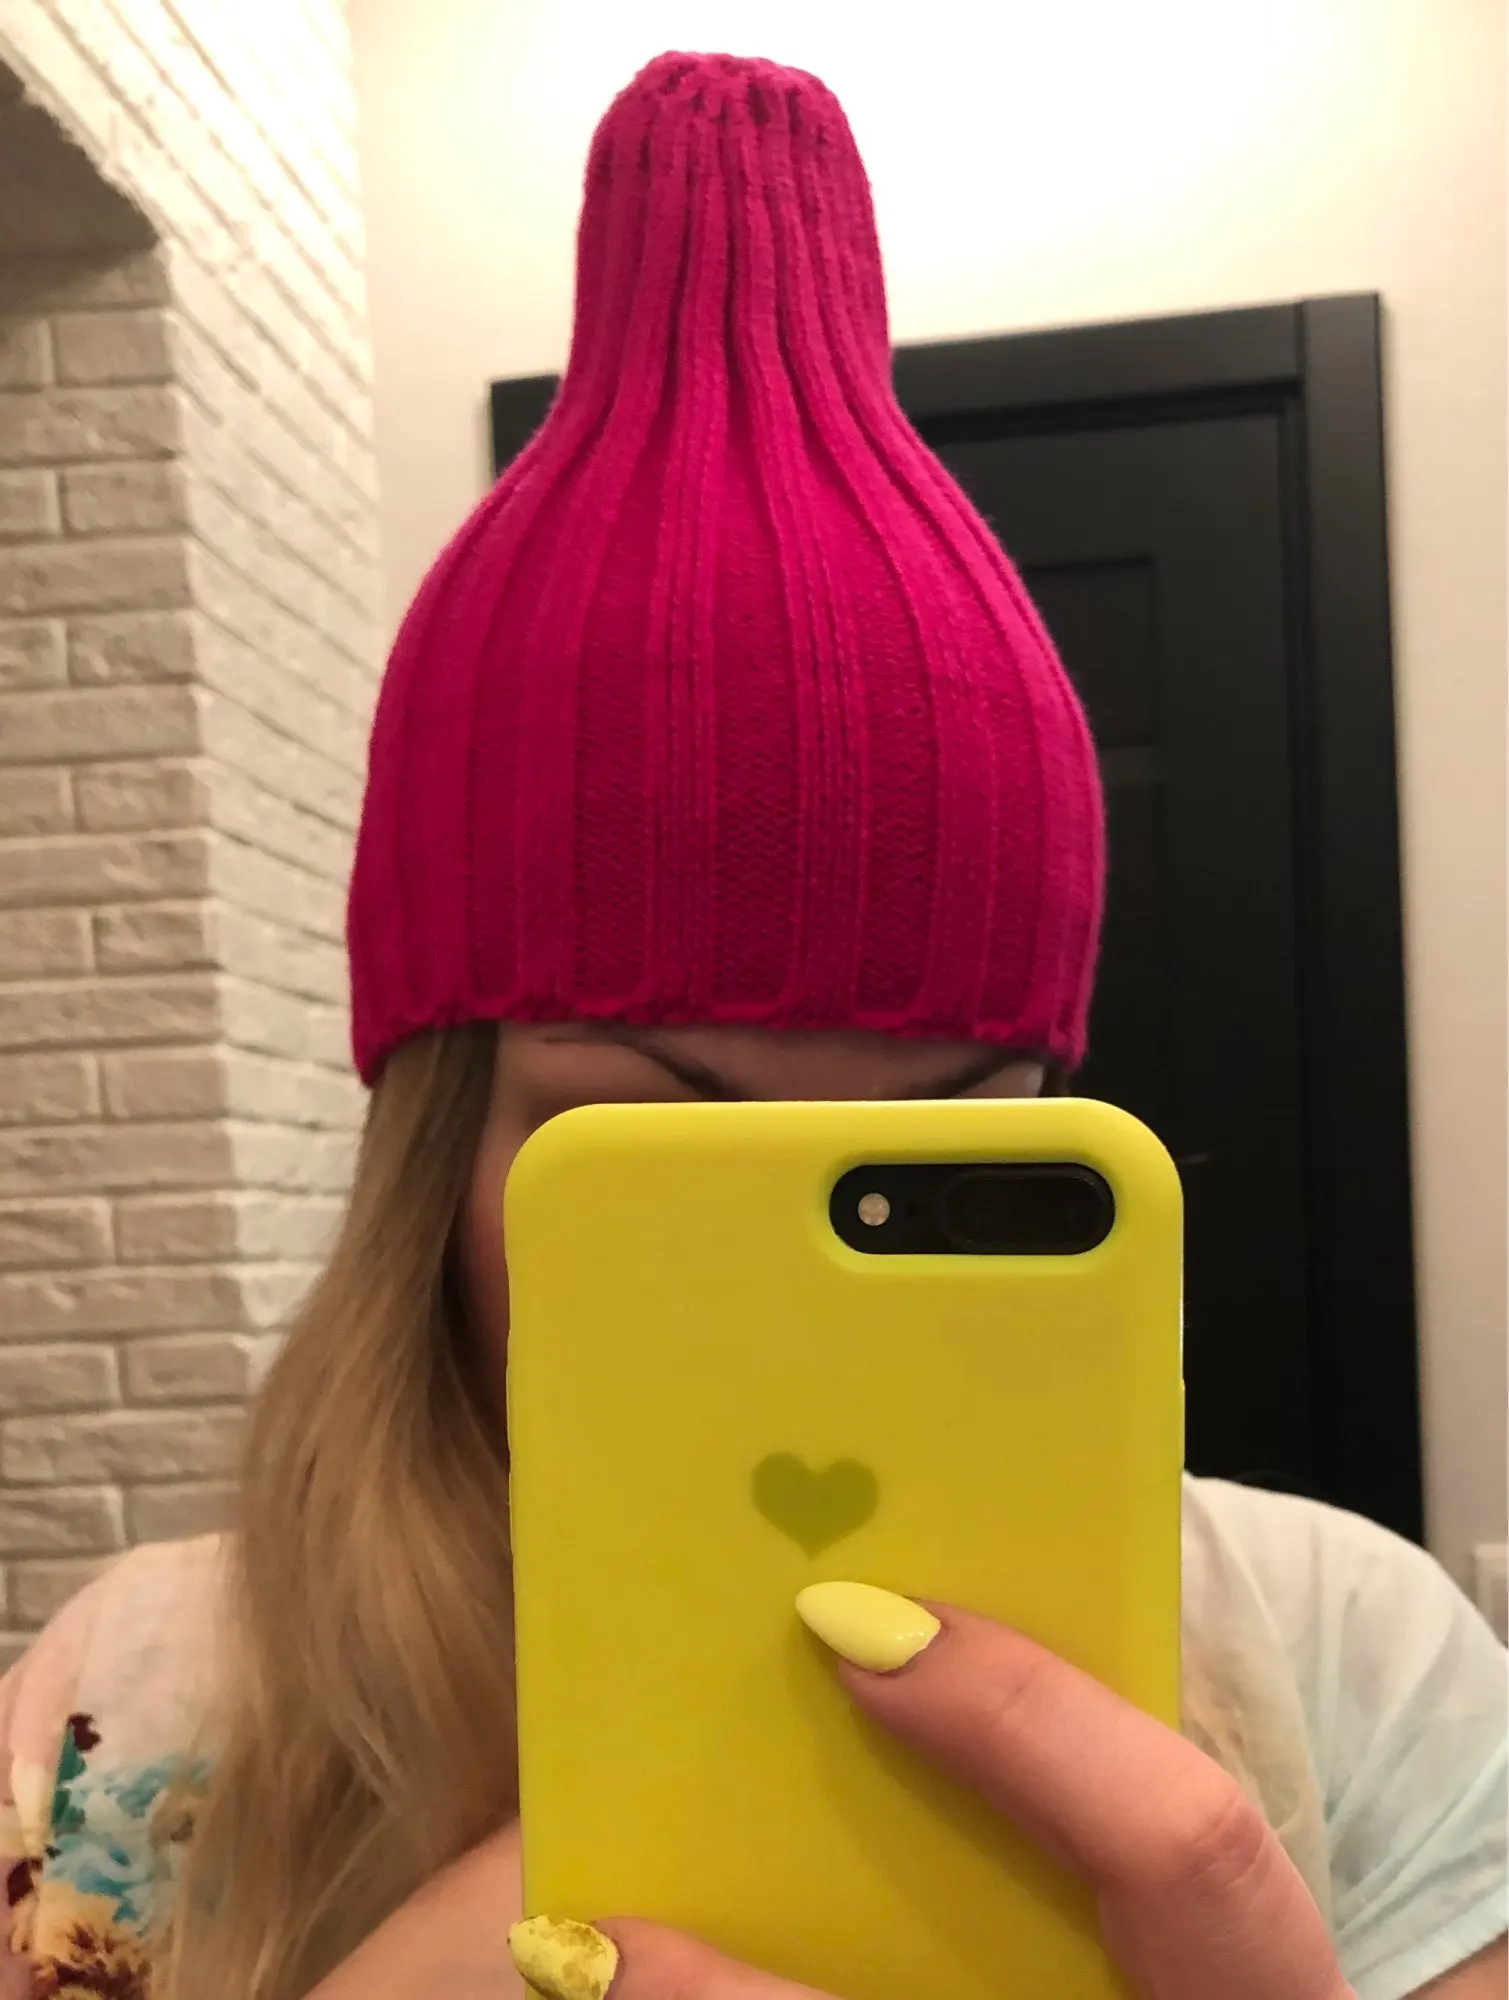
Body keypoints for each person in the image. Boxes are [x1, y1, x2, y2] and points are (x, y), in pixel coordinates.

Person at [0, 49, 1501, 2000]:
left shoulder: (1357, 1653)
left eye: (949, 1140)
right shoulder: (126, 1702)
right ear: (431, 1145)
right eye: (650, 1146)